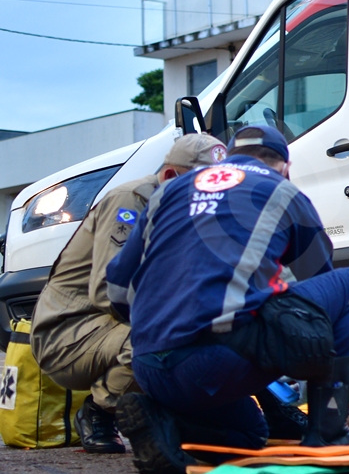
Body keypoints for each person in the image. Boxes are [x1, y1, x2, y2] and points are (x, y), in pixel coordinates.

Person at [104, 125, 349, 474]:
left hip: (149, 368)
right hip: (215, 364)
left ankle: (167, 421)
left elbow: (117, 291)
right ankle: (328, 430)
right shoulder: (282, 190)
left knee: (251, 434)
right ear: (285, 166)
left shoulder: (167, 193)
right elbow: (317, 300)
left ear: (230, 158)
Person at [31, 133, 227, 454]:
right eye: (207, 183)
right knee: (166, 335)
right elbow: (108, 292)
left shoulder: (189, 207)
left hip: (111, 326)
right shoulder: (133, 200)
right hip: (68, 333)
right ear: (169, 177)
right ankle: (99, 410)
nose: (216, 191)